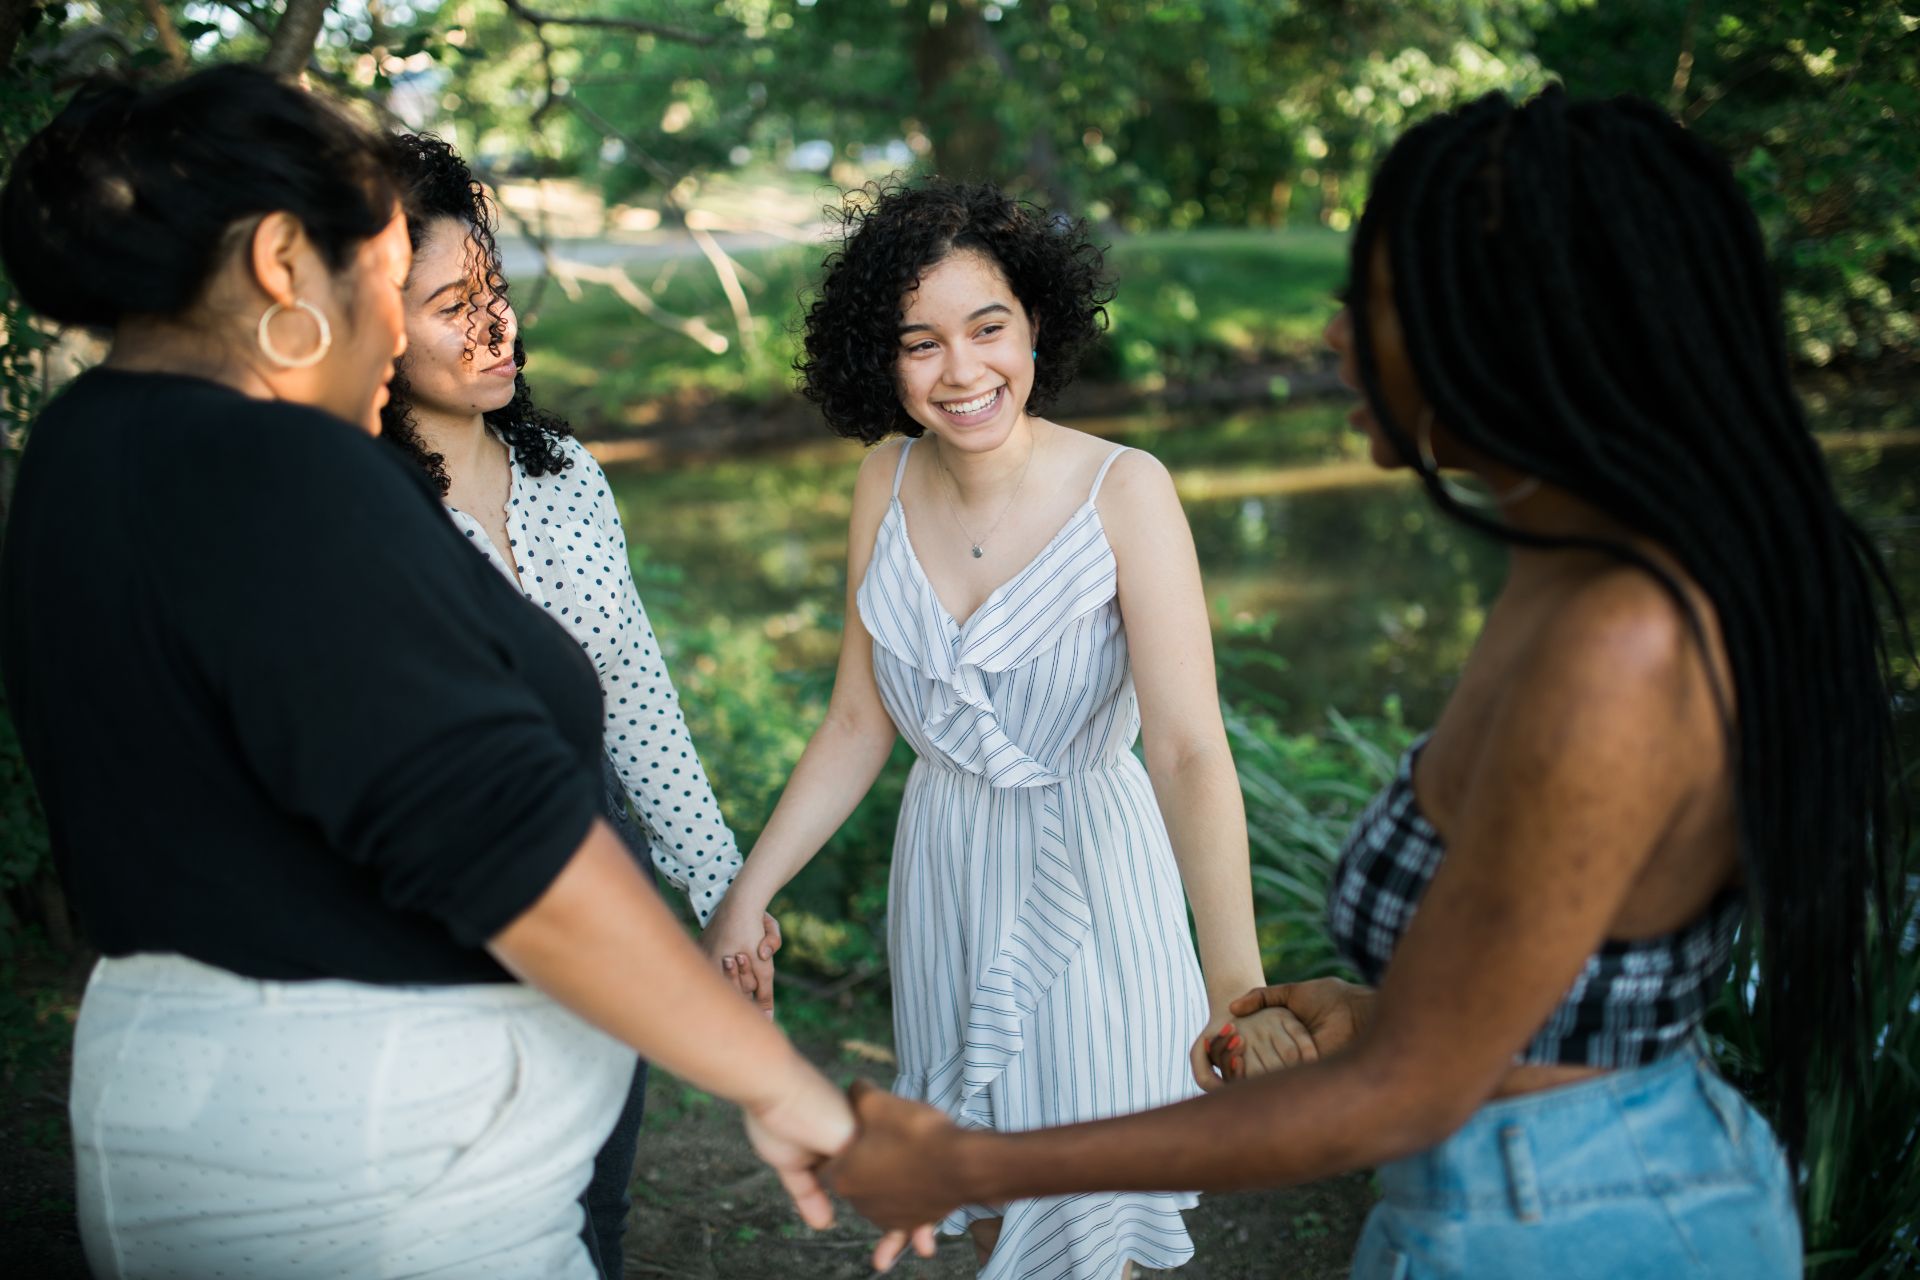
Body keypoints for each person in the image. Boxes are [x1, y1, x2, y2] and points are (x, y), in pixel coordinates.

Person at [827, 88, 1906, 1279]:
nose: (1337, 333)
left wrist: (976, 1166)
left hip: (1584, 1220)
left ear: (1512, 330)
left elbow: (1401, 1098)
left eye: (1378, 298)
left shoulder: (1624, 641)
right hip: (1498, 1192)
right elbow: (1539, 1007)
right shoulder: (1569, 577)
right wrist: (1370, 1007)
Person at [0, 65, 878, 1279]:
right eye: (385, 271)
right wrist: (785, 1086)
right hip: (383, 1167)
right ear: (279, 265)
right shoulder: (278, 471)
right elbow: (503, 839)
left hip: (210, 1102)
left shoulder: (81, 448)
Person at [700, 178, 1293, 1279]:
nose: (962, 371)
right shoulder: (884, 474)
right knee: (976, 1211)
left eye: (989, 328)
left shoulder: (1127, 489)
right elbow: (855, 716)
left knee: (1090, 1209)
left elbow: (1189, 752)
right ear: (881, 359)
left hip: (1096, 877)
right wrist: (751, 888)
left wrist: (1237, 987)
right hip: (946, 872)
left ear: (1036, 325)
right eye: (920, 343)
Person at [376, 131, 782, 1277]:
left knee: (592, 1196)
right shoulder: (360, 509)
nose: (493, 325)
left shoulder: (566, 474)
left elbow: (637, 696)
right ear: (372, 322)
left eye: (495, 290)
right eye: (451, 303)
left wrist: (719, 882)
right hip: (444, 900)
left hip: (604, 870)